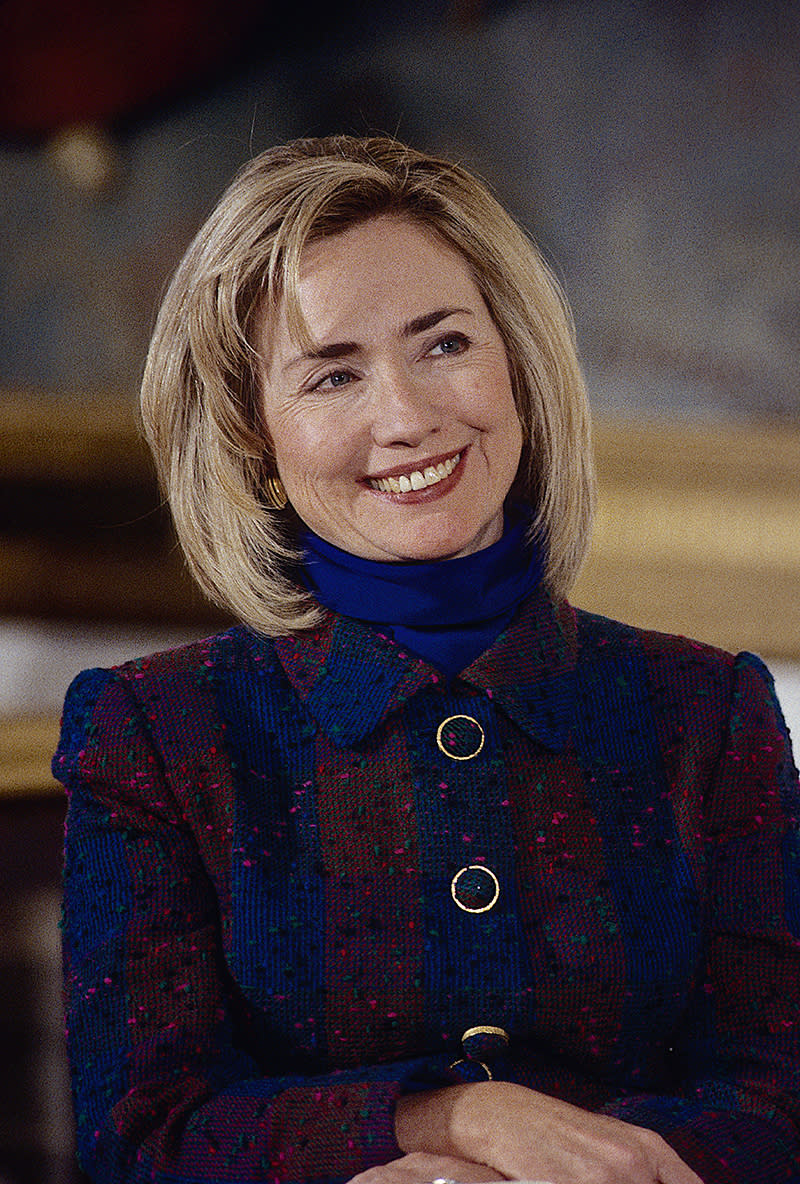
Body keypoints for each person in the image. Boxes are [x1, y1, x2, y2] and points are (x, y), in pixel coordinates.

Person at [54, 135, 800, 1184]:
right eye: (331, 374)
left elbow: (779, 1102)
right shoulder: (154, 730)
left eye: (443, 344)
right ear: (253, 438)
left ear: (518, 366)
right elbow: (141, 1131)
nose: (405, 417)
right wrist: (455, 1122)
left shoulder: (708, 708)